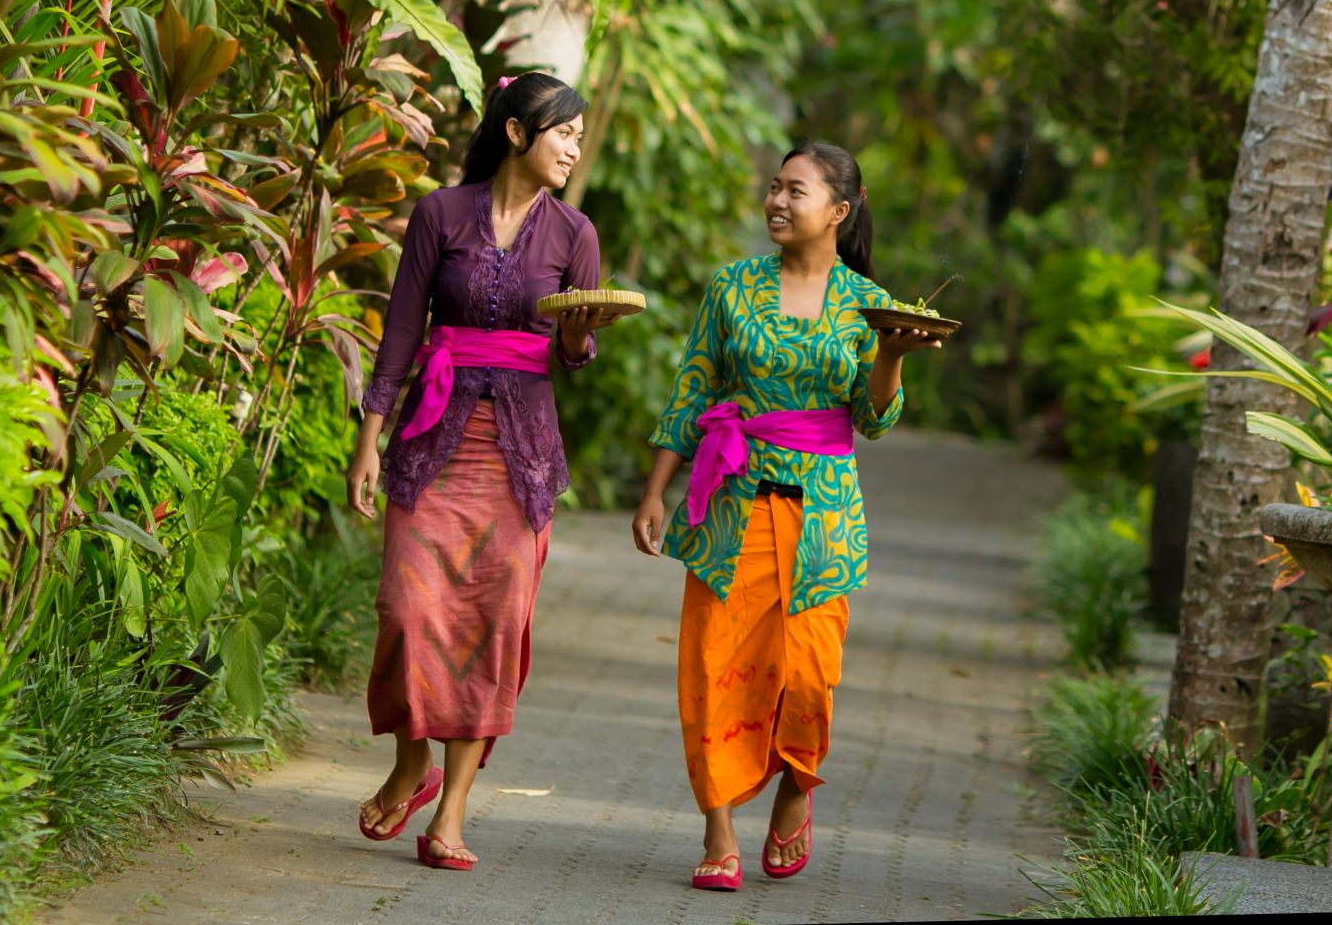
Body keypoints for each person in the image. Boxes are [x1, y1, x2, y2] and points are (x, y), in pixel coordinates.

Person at [630, 141, 943, 892]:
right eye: (772, 186)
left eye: (793, 190)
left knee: (807, 678)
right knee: (710, 669)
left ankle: (796, 787)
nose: (775, 200)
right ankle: (718, 831)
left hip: (823, 517)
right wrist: (655, 490)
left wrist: (892, 355)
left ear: (838, 209)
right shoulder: (731, 287)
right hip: (730, 506)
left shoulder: (868, 303)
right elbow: (692, 387)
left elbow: (873, 418)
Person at [345, 72, 621, 871]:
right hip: (432, 438)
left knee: (492, 628)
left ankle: (452, 814)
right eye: (562, 132)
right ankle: (410, 763)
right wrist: (370, 435)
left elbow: (573, 353)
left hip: (521, 454)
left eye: (576, 135)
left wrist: (578, 335)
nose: (573, 146)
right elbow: (402, 328)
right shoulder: (438, 214)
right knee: (404, 608)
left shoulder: (576, 233)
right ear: (514, 132)